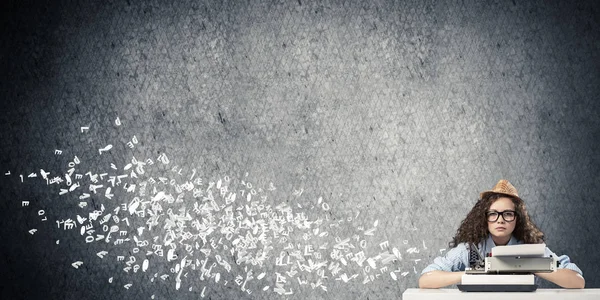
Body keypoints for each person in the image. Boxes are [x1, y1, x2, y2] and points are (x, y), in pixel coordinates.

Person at [418, 179, 585, 289]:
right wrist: (474, 273)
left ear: (517, 219)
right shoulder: (471, 250)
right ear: (484, 218)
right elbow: (425, 279)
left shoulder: (531, 250)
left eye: (508, 214)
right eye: (493, 214)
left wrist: (527, 264)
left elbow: (577, 281)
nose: (500, 220)